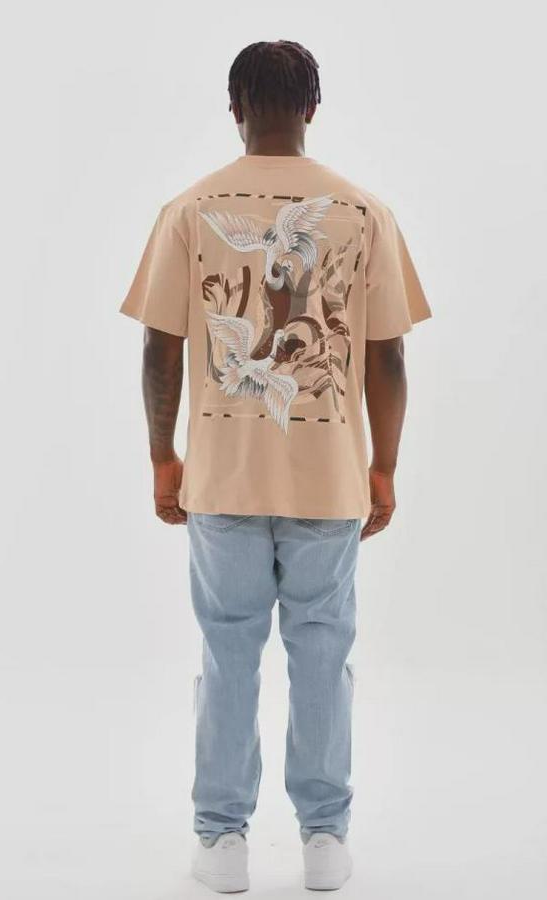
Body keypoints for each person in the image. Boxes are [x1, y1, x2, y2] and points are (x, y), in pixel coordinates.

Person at [120, 39, 430, 893]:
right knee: (322, 652)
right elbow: (388, 356)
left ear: (234, 108)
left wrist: (163, 456)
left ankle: (222, 842)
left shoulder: (189, 210)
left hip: (222, 478)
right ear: (312, 110)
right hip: (327, 480)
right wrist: (383, 467)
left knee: (229, 651)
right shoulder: (364, 212)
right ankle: (325, 838)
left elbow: (159, 347)